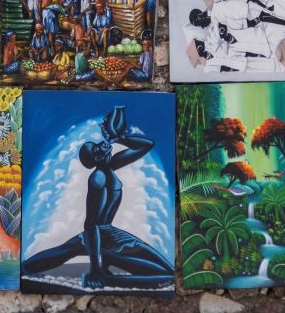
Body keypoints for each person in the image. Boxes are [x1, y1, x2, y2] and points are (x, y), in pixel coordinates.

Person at [21, 106, 174, 288]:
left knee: (167, 270)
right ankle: (107, 275)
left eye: (96, 143)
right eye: (96, 149)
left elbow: (146, 145)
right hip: (101, 236)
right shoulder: (98, 178)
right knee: (65, 251)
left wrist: (120, 138)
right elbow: (91, 224)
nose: (101, 145)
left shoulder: (111, 165)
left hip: (110, 233)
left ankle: (109, 263)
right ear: (96, 159)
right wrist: (96, 267)